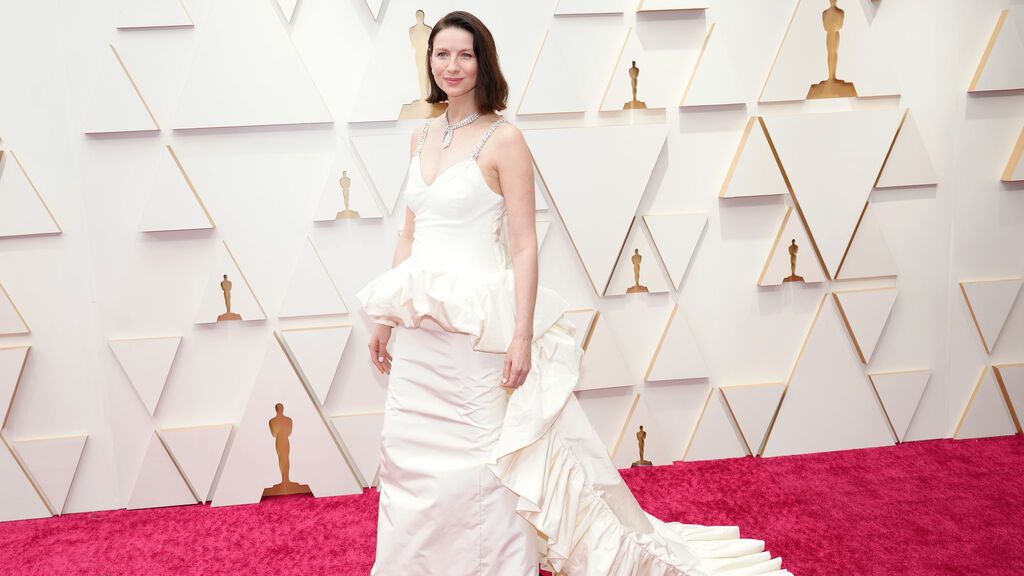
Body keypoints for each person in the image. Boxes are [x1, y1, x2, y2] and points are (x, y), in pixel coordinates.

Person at [356, 11, 791, 576]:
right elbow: (409, 235)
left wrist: (521, 336)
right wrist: (385, 318)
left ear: (483, 62)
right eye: (442, 54)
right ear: (429, 62)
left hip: (477, 335)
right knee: (411, 461)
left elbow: (524, 247)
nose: (452, 65)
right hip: (420, 334)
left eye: (465, 54)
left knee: (484, 464)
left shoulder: (505, 139)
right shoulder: (420, 136)